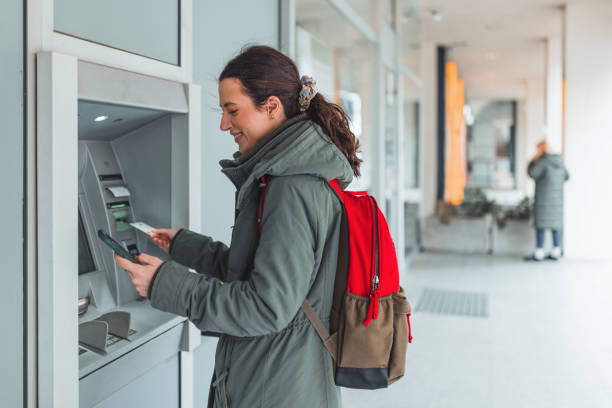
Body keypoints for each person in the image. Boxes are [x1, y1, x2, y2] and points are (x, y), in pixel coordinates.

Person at [114, 45, 361, 408]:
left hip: (277, 389)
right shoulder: (295, 177)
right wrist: (185, 245)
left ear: (272, 106)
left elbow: (265, 305)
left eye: (232, 111)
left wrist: (165, 284)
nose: (224, 124)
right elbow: (262, 273)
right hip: (284, 377)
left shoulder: (291, 187)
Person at [525, 140, 569, 261]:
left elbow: (532, 174)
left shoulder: (542, 161)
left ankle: (539, 251)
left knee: (541, 224)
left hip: (543, 199)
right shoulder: (560, 161)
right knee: (555, 224)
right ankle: (556, 251)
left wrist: (532, 161)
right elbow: (567, 176)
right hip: (557, 200)